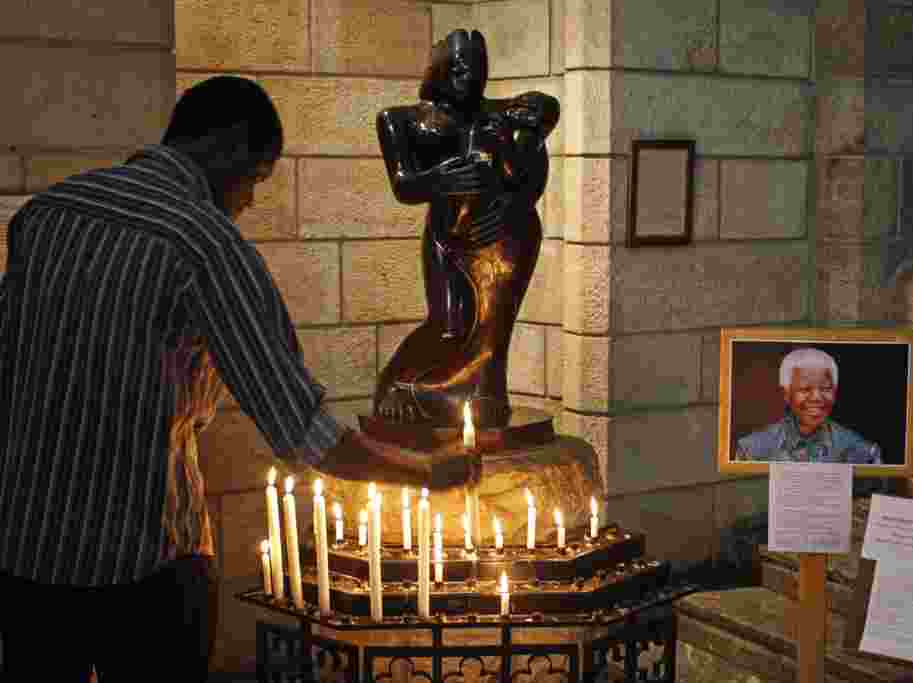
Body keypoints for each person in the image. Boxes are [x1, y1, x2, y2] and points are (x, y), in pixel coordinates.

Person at [0, 76, 478, 683]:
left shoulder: (46, 215)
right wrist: (419, 474)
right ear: (227, 148)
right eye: (256, 179)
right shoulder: (202, 242)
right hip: (139, 560)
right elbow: (298, 425)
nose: (249, 201)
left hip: (23, 549)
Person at [373, 29, 559, 428]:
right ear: (438, 69)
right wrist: (439, 179)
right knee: (447, 322)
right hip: (445, 233)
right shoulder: (400, 119)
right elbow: (403, 185)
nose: (469, 78)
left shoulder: (494, 113)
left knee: (488, 325)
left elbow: (541, 115)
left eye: (478, 70)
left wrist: (545, 109)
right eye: (458, 68)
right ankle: (396, 384)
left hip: (493, 231)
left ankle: (475, 392)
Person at [734, 347, 882, 464]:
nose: (817, 398)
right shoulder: (752, 450)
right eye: (805, 389)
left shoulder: (862, 452)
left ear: (835, 392)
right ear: (786, 394)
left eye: (825, 389)